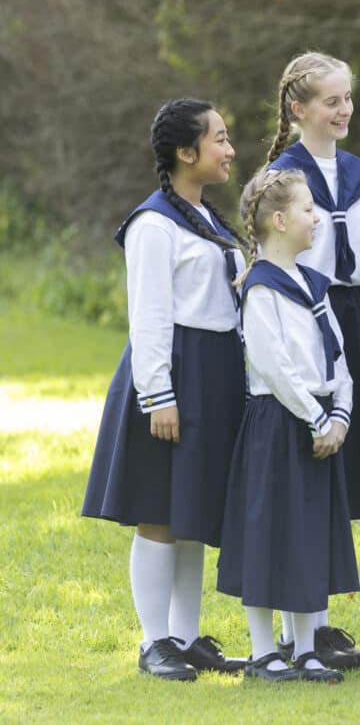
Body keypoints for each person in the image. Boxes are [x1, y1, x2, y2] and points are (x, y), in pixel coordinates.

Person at [82, 98, 246, 680]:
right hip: (174, 374)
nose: (229, 150)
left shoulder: (210, 220)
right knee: (159, 511)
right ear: (186, 152)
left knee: (192, 507)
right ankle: (154, 642)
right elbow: (149, 316)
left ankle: (186, 636)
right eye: (219, 139)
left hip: (217, 372)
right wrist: (158, 395)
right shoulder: (154, 224)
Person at [216, 168, 360, 683]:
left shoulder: (314, 283)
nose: (316, 217)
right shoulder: (260, 288)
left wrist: (340, 414)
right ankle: (262, 653)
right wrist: (318, 417)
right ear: (279, 220)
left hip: (321, 425)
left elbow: (338, 357)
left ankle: (305, 649)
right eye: (306, 209)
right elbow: (274, 364)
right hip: (280, 422)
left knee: (306, 538)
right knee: (268, 535)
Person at [265, 51, 360, 670]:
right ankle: (294, 626)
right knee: (305, 467)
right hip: (303, 318)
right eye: (330, 101)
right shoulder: (283, 176)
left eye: (347, 99)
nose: (343, 111)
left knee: (338, 475)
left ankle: (321, 625)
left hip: (351, 324)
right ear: (298, 108)